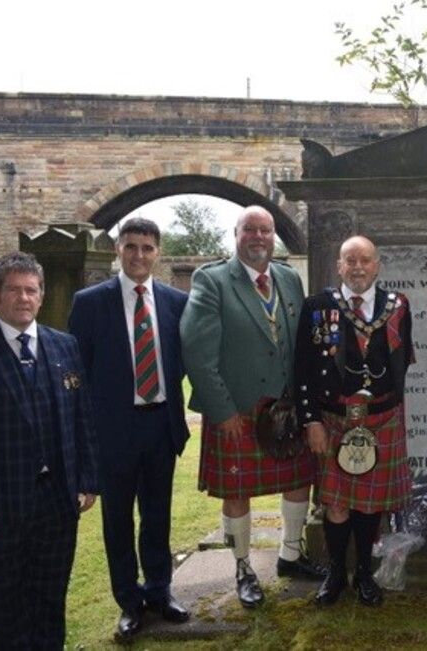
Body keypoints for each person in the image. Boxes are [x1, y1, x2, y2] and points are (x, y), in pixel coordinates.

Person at [0, 252, 99, 650]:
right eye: (14, 290)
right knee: (7, 605)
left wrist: (87, 480)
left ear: (41, 296)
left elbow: (83, 419)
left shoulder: (65, 346)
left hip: (59, 504)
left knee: (50, 600)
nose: (23, 298)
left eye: (31, 290)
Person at [181, 205, 324, 609]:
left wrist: (304, 404)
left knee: (299, 480)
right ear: (236, 234)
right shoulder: (211, 280)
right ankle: (243, 567)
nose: (259, 237)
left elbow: (300, 344)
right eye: (251, 230)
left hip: (286, 407)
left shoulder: (288, 277)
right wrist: (222, 410)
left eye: (266, 230)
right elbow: (197, 352)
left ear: (274, 235)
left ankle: (290, 554)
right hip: (239, 409)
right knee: (238, 489)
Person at [68, 217, 190, 639]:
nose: (139, 255)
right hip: (113, 431)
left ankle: (160, 591)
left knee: (157, 515)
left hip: (161, 426)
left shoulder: (176, 302)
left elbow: (188, 362)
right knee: (117, 520)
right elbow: (78, 373)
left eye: (148, 248)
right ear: (119, 249)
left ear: (158, 254)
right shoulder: (90, 302)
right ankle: (129, 600)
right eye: (131, 246)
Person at [297, 235, 414, 607]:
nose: (358, 267)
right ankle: (335, 572)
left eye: (365, 260)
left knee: (369, 504)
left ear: (377, 265)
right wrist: (311, 420)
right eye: (351, 260)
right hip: (333, 419)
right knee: (336, 504)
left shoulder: (398, 306)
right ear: (339, 266)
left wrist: (395, 412)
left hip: (381, 419)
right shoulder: (317, 306)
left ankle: (363, 571)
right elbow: (302, 368)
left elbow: (401, 369)